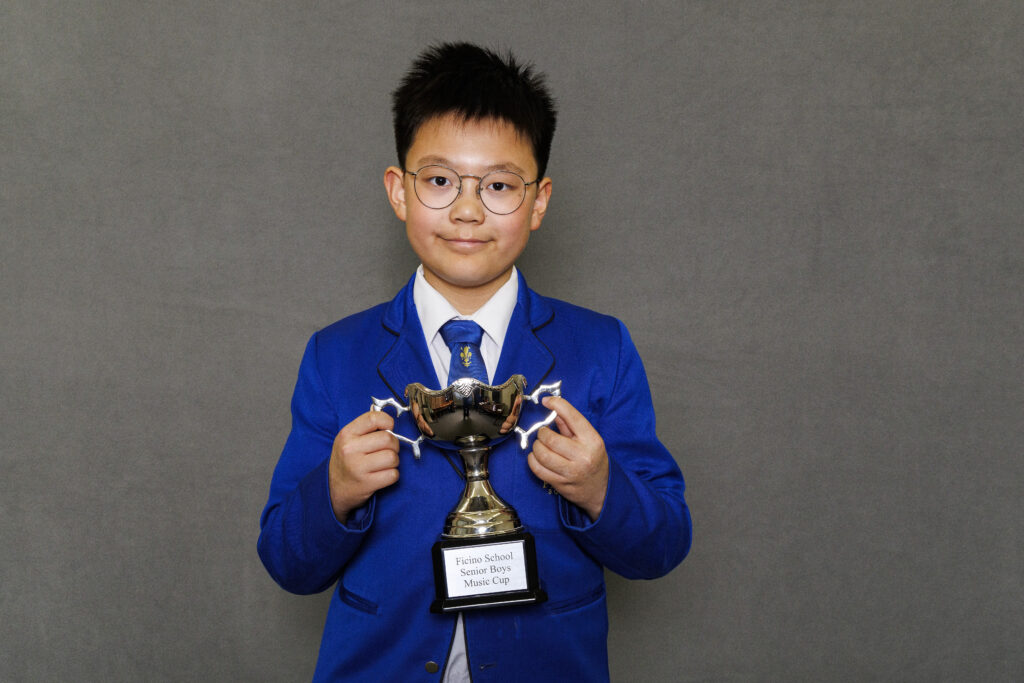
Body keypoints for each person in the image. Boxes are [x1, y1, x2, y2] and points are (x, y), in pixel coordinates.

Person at [258, 42, 692, 682]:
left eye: (499, 185)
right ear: (399, 191)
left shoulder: (602, 348)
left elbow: (663, 546)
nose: (467, 210)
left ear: (538, 202)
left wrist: (604, 490)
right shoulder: (336, 355)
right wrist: (334, 492)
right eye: (439, 181)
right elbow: (286, 563)